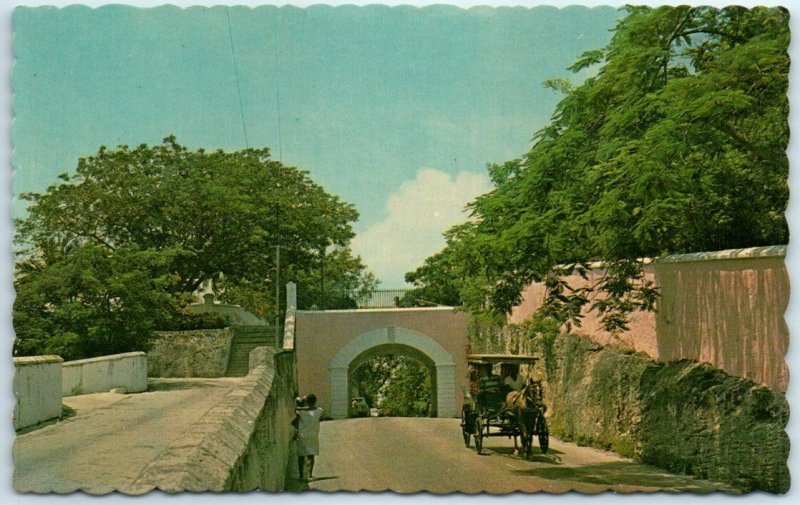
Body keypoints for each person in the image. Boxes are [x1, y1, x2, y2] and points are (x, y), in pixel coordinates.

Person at [293, 393, 323, 481]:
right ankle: (310, 475)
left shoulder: (300, 412)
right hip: (313, 436)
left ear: (306, 402)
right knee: (311, 456)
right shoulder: (318, 411)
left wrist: (300, 406)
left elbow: (296, 411)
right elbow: (318, 410)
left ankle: (301, 476)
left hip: (302, 435)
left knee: (301, 456)